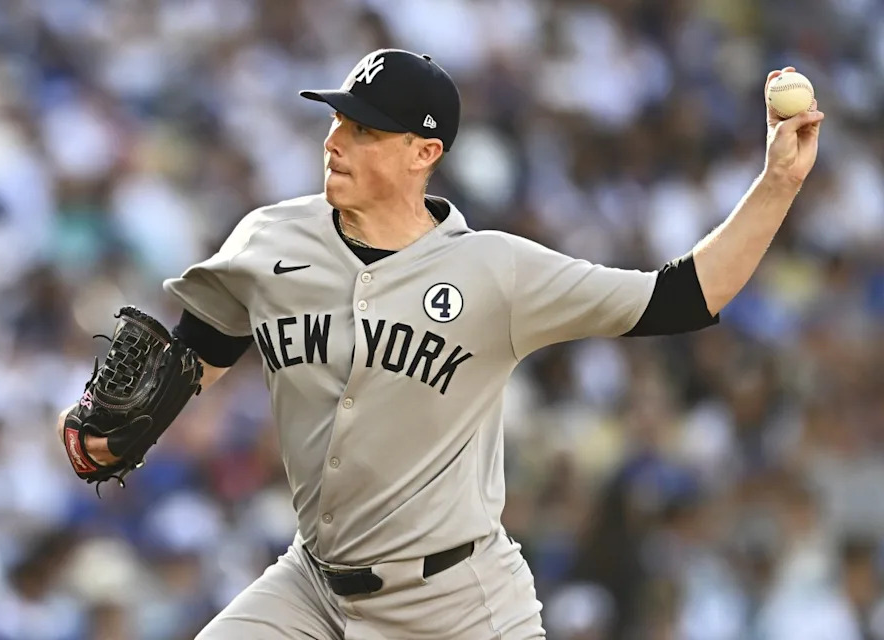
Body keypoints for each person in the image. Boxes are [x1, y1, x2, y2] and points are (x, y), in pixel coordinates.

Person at [57, 49, 823, 638]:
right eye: (336, 120)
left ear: (425, 153)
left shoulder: (497, 271)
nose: (335, 140)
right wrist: (143, 412)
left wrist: (778, 184)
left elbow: (684, 296)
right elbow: (206, 342)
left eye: (363, 129)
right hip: (310, 588)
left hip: (458, 606)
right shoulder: (270, 239)